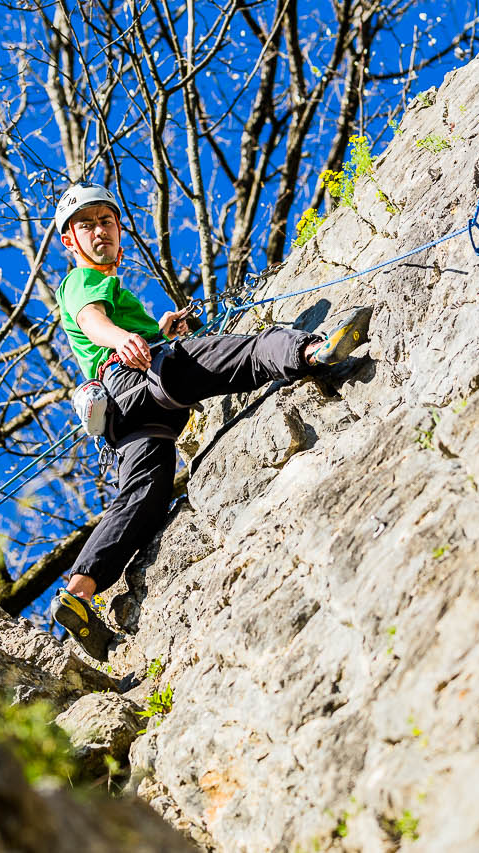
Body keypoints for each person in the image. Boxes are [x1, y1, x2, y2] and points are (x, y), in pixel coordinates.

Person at [47, 183, 374, 660]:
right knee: (243, 352)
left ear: (119, 231)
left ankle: (78, 593)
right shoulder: (83, 281)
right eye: (86, 224)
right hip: (144, 371)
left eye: (106, 221)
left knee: (144, 493)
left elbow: (100, 330)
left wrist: (154, 330)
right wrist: (123, 339)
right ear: (69, 242)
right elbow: (92, 319)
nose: (99, 231)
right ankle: (311, 350)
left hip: (126, 413)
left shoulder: (103, 288)